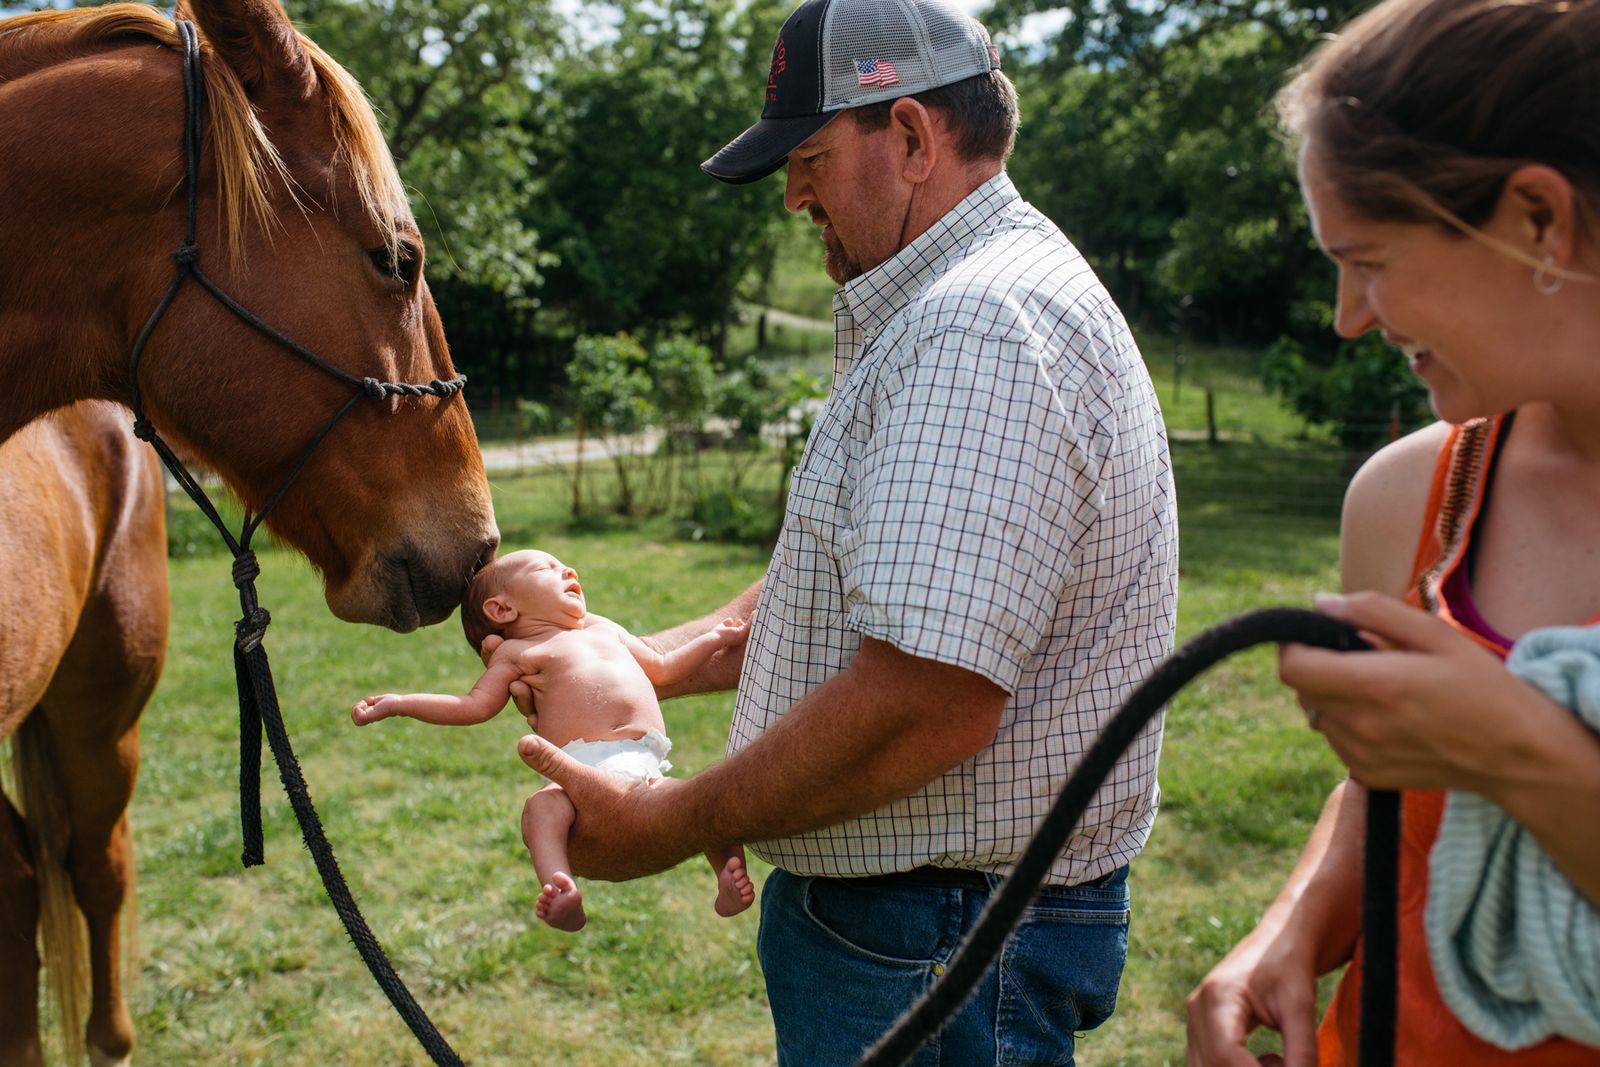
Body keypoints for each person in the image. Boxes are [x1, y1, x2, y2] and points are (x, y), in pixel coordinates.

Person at [515, 0, 1177, 1060]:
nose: (791, 196)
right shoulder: (967, 297)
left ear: (912, 137)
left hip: (929, 937)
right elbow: (887, 578)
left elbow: (925, 699)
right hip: (933, 929)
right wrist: (639, 662)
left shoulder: (976, 324)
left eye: (810, 157)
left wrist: (670, 818)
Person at [1185, 0, 1600, 1064]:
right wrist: (1297, 922)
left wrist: (1517, 748)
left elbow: (1472, 752)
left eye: (1367, 258)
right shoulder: (1411, 497)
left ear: (1538, 221)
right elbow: (1391, 786)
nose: (1347, 316)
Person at [352, 548, 755, 932]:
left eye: (566, 566)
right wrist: (401, 703)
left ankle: (726, 879)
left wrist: (715, 639)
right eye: (548, 568)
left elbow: (664, 668)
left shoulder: (605, 629)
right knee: (541, 808)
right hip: (575, 770)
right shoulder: (517, 653)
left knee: (707, 803)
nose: (569, 571)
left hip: (642, 763)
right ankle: (560, 885)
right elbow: (472, 705)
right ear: (502, 609)